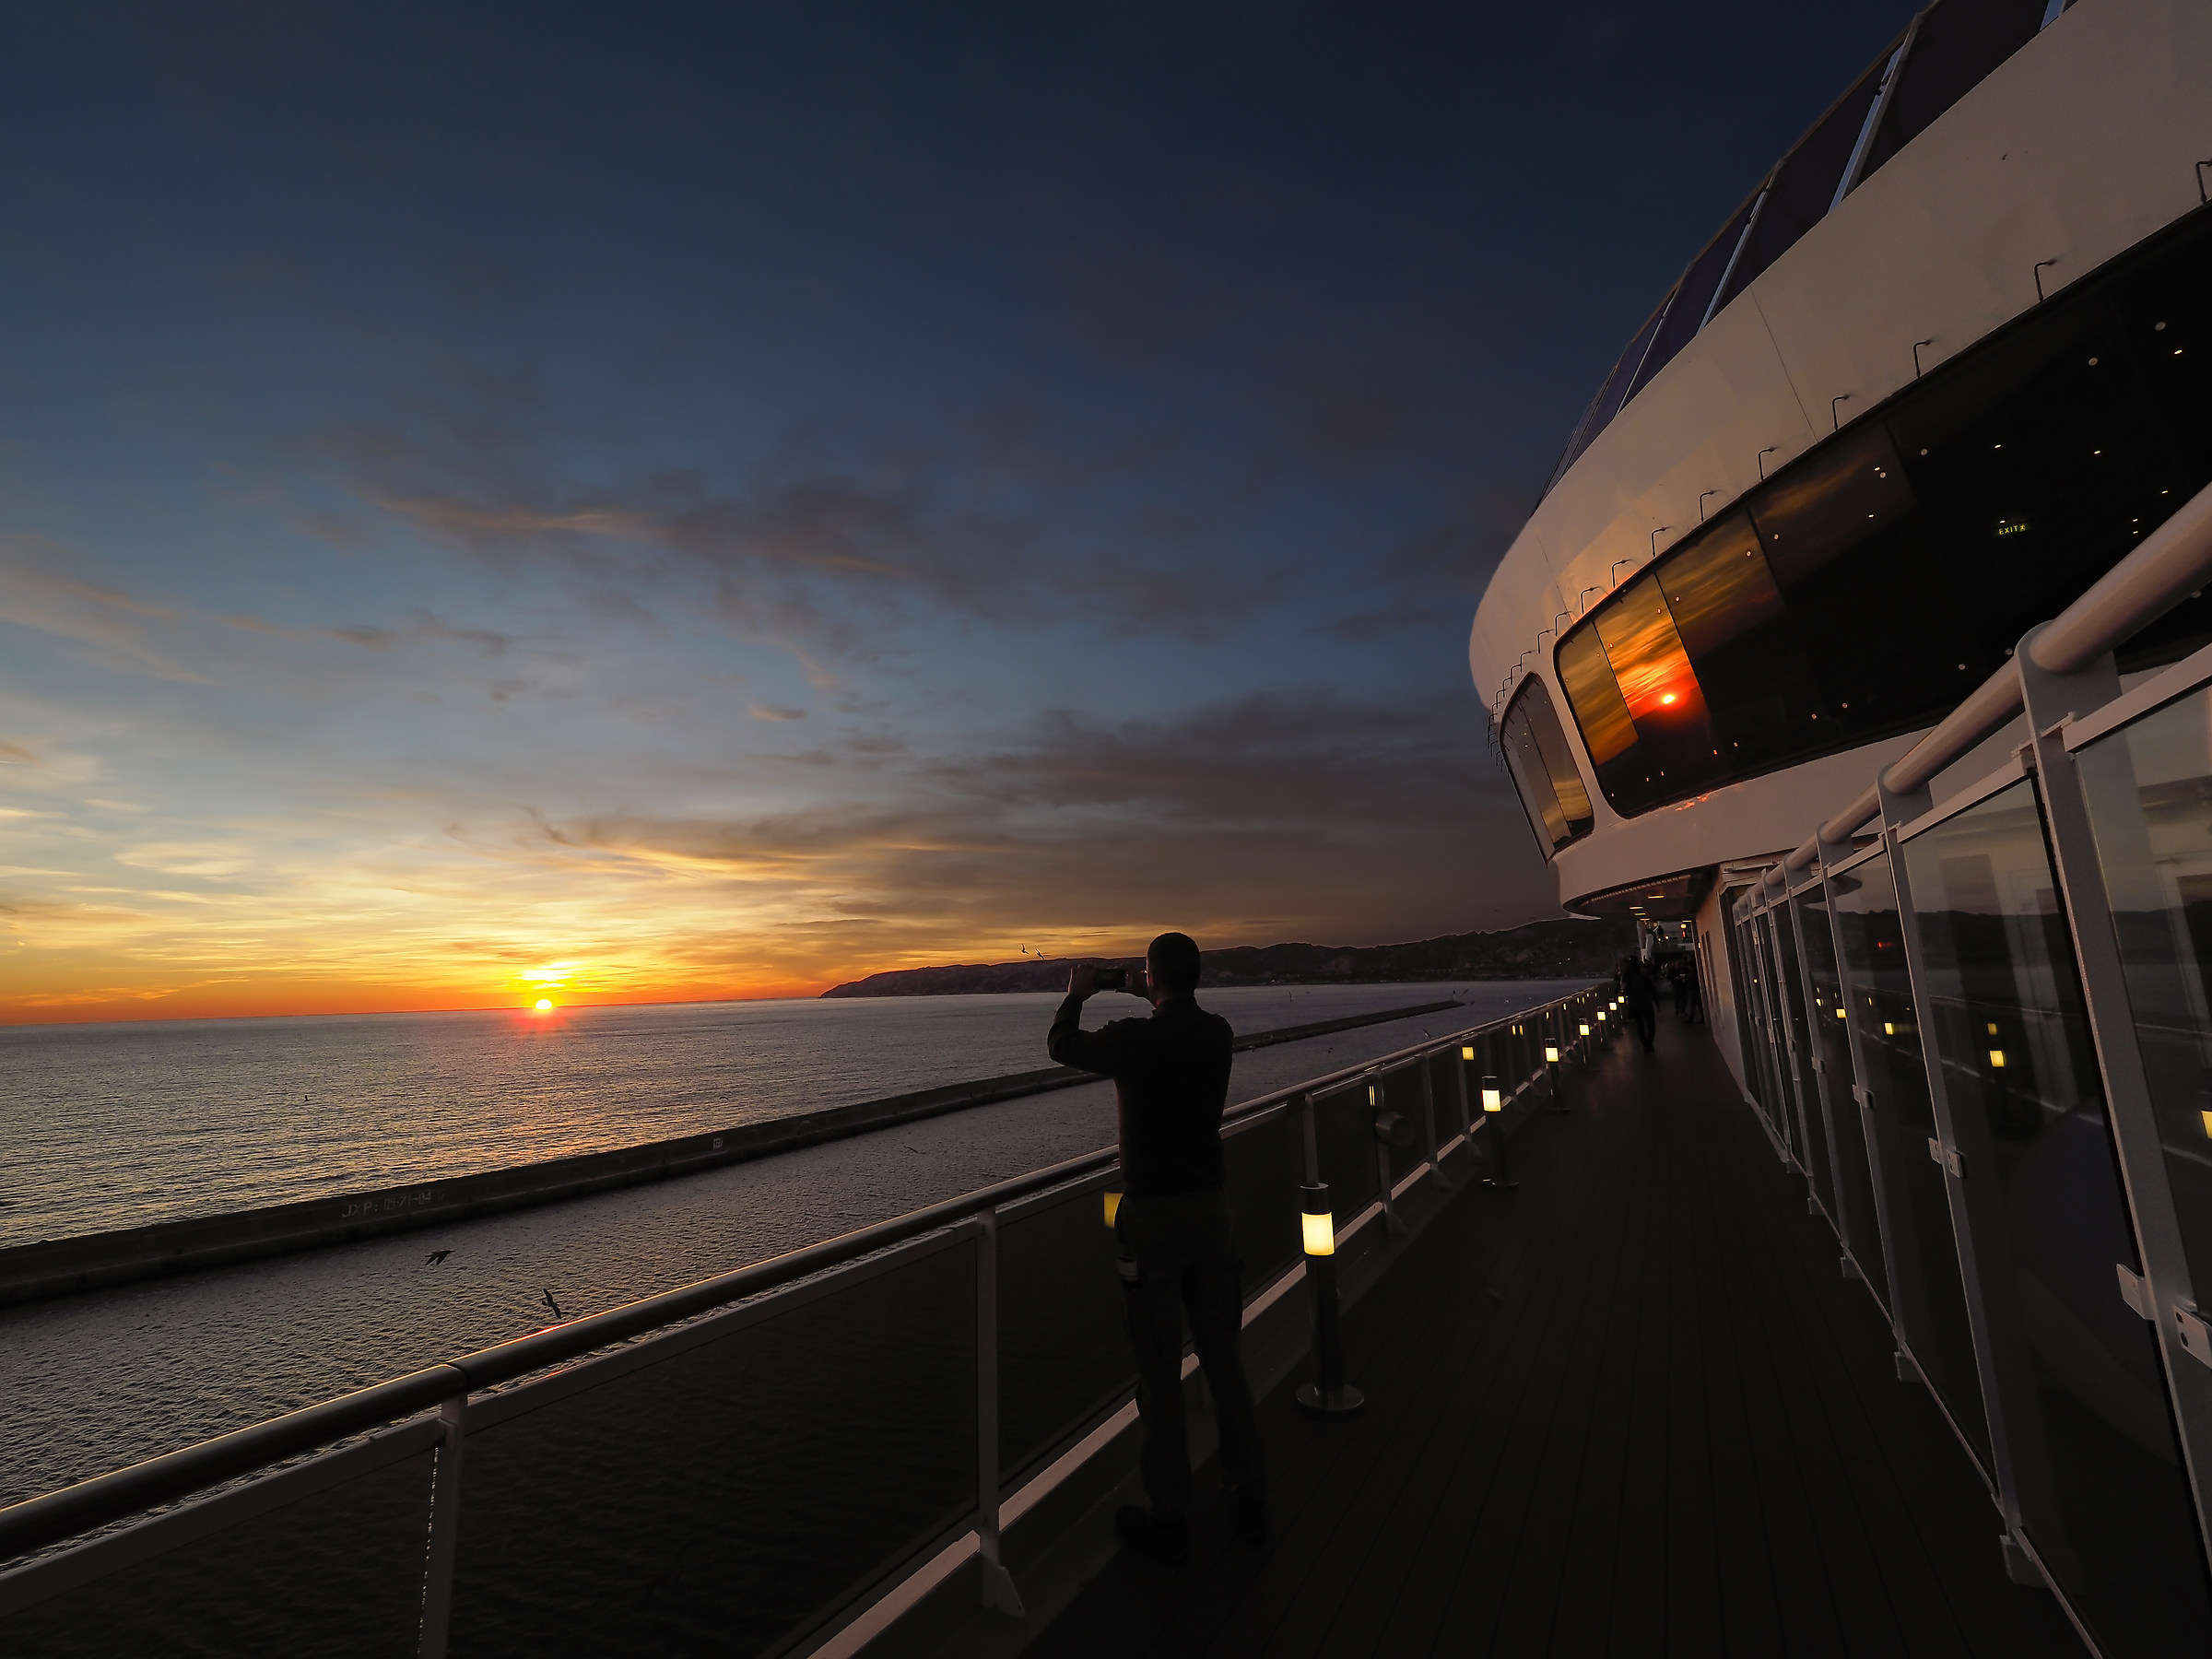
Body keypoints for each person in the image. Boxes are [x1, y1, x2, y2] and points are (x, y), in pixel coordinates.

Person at [1047, 932, 1267, 1564]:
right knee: (1224, 1358)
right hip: (1212, 1208)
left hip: (1152, 1218)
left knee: (1160, 1370)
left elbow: (1061, 1046)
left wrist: (1077, 994)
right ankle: (1249, 1495)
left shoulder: (1134, 1039)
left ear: (1150, 978)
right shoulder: (1217, 1034)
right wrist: (1155, 990)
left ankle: (1171, 1514)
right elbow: (1180, 1018)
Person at [1621, 956, 1658, 1053]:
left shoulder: (1627, 974)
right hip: (1646, 1002)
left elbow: (1625, 989)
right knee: (1651, 1024)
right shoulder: (1643, 973)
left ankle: (1645, 1043)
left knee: (1640, 1025)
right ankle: (1649, 1042)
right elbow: (1651, 988)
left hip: (1635, 1003)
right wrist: (1656, 1002)